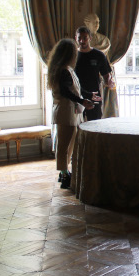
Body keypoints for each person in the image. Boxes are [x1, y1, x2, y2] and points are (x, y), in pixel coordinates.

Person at [46, 38, 97, 189]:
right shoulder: (63, 71)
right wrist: (83, 102)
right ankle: (63, 172)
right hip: (65, 111)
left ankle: (64, 171)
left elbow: (76, 89)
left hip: (70, 112)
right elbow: (66, 92)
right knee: (64, 145)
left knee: (70, 144)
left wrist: (88, 96)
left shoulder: (65, 69)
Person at [83, 13, 119, 118]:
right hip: (85, 76)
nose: (97, 25)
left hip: (99, 76)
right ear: (87, 23)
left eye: (98, 22)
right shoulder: (82, 40)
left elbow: (97, 52)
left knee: (99, 105)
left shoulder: (104, 40)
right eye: (94, 22)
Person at [74, 26, 114, 121]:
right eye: (79, 38)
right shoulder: (73, 55)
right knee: (77, 125)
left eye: (85, 38)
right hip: (77, 95)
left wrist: (109, 81)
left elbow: (106, 75)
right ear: (76, 38)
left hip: (94, 95)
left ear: (90, 38)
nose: (82, 41)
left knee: (95, 123)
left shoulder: (99, 55)